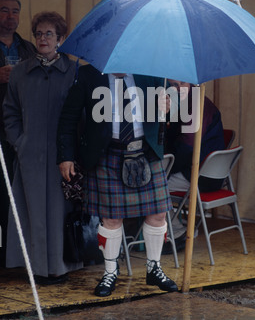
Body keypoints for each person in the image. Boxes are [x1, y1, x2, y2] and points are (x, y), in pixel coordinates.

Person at [57, 68, 179, 297]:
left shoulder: (151, 74)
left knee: (158, 214)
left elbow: (171, 115)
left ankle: (154, 268)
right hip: (107, 153)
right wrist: (65, 156)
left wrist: (169, 108)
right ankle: (110, 272)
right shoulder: (89, 76)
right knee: (111, 219)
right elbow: (68, 118)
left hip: (146, 152)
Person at [3, 11, 82, 284]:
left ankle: (60, 266)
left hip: (63, 157)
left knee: (60, 211)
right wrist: (20, 142)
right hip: (31, 155)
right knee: (31, 211)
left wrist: (72, 151)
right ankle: (35, 268)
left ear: (60, 38)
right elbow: (10, 113)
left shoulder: (74, 72)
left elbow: (81, 115)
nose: (42, 38)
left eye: (49, 34)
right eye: (38, 33)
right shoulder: (20, 73)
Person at [0, 0, 36, 267]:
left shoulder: (26, 48)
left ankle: (13, 254)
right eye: (4, 10)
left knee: (14, 192)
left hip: (18, 129)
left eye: (14, 11)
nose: (10, 17)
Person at [166, 80, 225, 193]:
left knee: (152, 188)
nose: (179, 89)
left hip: (200, 176)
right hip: (203, 171)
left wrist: (165, 170)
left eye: (182, 83)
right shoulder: (185, 101)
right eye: (174, 85)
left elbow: (186, 148)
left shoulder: (196, 104)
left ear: (190, 83)